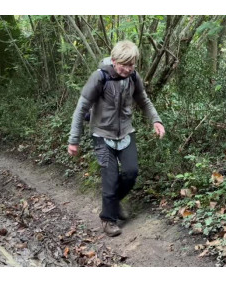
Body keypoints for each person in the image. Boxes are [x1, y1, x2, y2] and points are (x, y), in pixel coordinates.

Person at [67, 40, 165, 237]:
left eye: (132, 65)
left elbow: (144, 100)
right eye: (124, 65)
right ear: (113, 61)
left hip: (126, 133)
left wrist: (156, 120)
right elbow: (81, 108)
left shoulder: (133, 77)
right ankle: (108, 219)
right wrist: (73, 139)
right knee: (110, 178)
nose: (128, 69)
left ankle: (112, 203)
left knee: (131, 172)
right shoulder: (99, 77)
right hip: (102, 135)